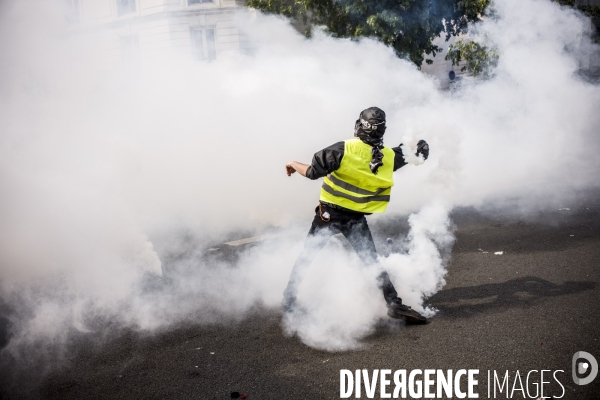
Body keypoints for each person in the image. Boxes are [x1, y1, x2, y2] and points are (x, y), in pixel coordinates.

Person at [282, 107, 429, 322]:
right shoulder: (388, 156)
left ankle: (289, 299)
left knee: (307, 257)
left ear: (359, 126)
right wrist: (420, 145)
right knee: (371, 261)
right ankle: (393, 303)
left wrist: (293, 163)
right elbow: (413, 153)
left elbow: (312, 172)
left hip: (328, 216)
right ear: (382, 131)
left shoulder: (342, 149)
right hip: (355, 219)